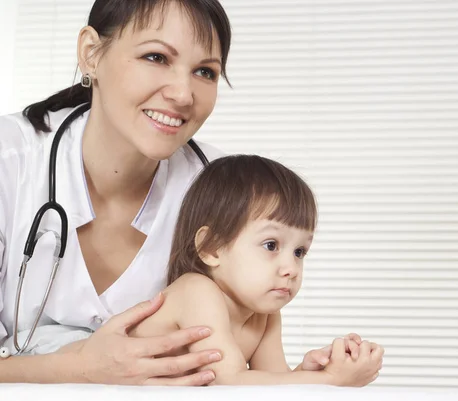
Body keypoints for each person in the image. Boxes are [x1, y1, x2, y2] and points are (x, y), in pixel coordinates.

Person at [0, 0, 337, 385]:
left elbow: (241, 361)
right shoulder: (9, 161)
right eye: (156, 56)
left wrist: (308, 377)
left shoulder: (227, 194)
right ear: (91, 54)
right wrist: (78, 369)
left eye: (205, 72)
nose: (182, 94)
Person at [128, 154, 385, 386]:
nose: (291, 268)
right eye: (271, 245)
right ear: (212, 248)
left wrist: (316, 371)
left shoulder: (264, 314)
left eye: (299, 252)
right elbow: (227, 382)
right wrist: (329, 381)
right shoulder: (196, 291)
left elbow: (269, 384)